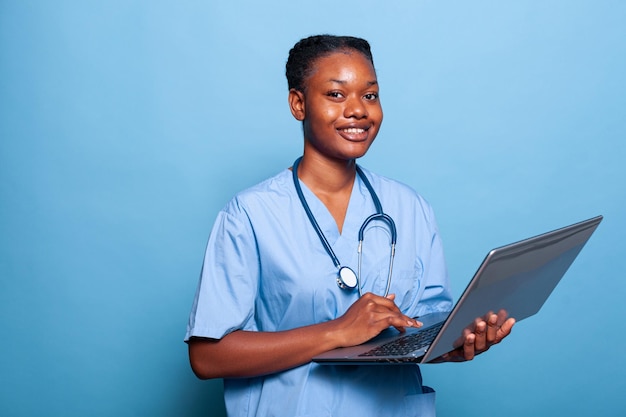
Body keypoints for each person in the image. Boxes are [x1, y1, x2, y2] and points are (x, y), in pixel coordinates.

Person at [185, 34, 515, 417]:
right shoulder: (249, 215)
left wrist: (456, 344)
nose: (358, 110)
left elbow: (425, 328)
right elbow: (207, 357)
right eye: (336, 95)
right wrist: (336, 331)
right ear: (298, 103)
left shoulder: (409, 208)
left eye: (370, 95)